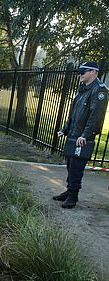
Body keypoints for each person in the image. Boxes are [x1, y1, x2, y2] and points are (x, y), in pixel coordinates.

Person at [53, 61, 108, 209]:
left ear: (94, 72)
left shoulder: (99, 90)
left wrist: (85, 135)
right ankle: (70, 190)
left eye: (83, 71)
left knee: (76, 167)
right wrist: (65, 129)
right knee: (70, 165)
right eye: (80, 72)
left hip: (82, 137)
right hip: (73, 134)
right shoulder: (82, 89)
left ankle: (73, 197)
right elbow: (73, 113)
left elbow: (95, 116)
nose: (80, 74)